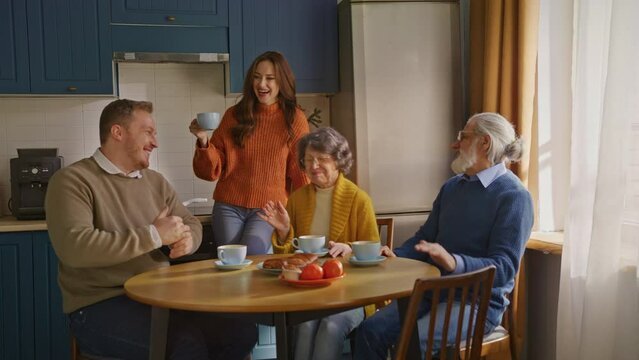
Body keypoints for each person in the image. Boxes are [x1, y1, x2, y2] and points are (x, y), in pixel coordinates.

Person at [45, 99, 257, 359]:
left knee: (240, 330)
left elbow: (189, 222)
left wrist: (188, 240)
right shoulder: (72, 181)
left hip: (160, 297)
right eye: (148, 132)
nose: (155, 142)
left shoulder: (155, 182)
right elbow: (75, 248)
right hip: (100, 304)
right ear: (118, 132)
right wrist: (154, 235)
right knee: (184, 346)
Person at [354, 112, 534, 359]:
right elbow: (425, 237)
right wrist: (394, 254)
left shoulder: (514, 197)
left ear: (485, 143)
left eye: (463, 136)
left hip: (475, 304)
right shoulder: (452, 187)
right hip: (431, 292)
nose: (455, 144)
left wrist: (454, 262)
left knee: (410, 343)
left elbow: (504, 268)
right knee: (368, 331)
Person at [260, 127, 379, 360]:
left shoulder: (359, 199)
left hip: (352, 292)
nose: (313, 166)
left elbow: (374, 253)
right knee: (304, 326)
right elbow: (290, 258)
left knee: (331, 327)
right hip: (309, 290)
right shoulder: (297, 199)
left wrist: (351, 249)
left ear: (338, 161)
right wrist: (284, 230)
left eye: (321, 159)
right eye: (308, 160)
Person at [189, 51, 310, 255]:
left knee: (255, 258)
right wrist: (203, 140)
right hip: (228, 206)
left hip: (268, 209)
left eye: (270, 78)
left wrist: (302, 218)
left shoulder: (294, 119)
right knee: (231, 265)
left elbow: (301, 174)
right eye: (257, 77)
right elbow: (210, 171)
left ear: (282, 81)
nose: (261, 84)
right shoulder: (234, 115)